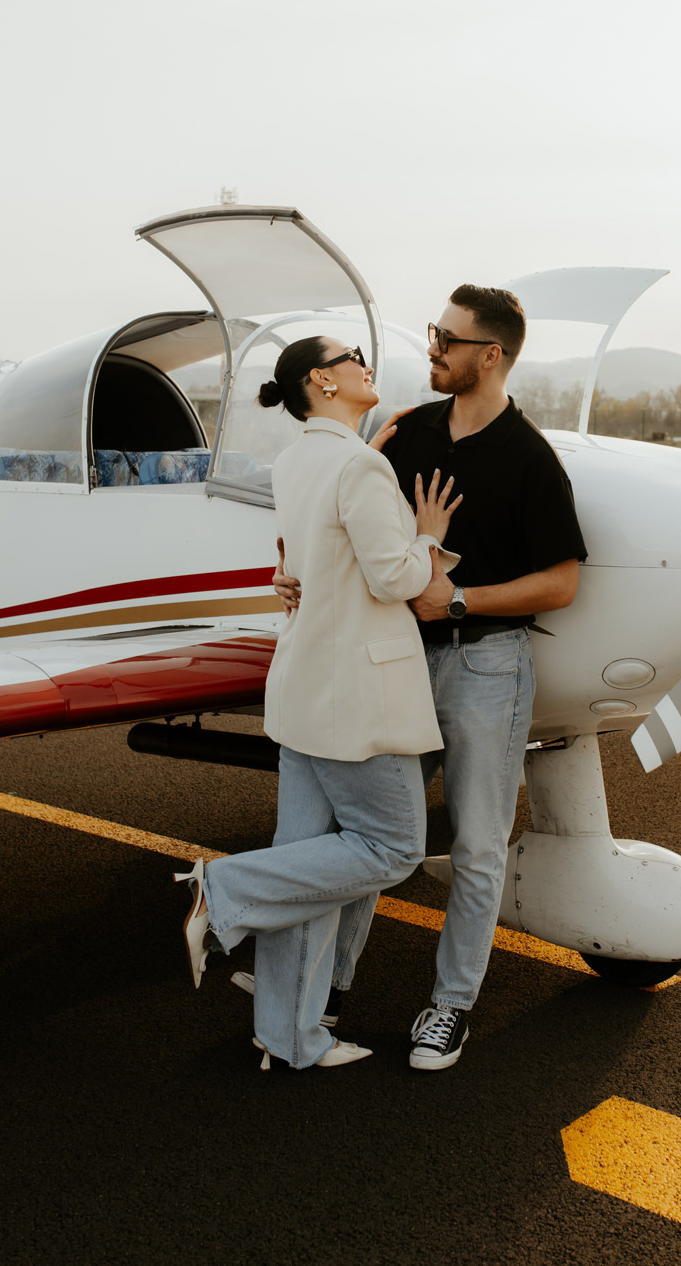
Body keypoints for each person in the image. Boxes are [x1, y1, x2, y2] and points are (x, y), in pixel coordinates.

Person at [275, 287, 587, 1070]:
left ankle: (450, 1006)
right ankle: (330, 988)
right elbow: (342, 523)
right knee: (373, 837)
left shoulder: (531, 459)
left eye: (446, 337)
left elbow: (561, 582)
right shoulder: (403, 433)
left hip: (487, 664)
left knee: (478, 845)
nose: (431, 347)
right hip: (401, 663)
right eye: (432, 332)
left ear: (491, 354)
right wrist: (294, 571)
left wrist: (459, 596)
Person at [174, 334, 461, 1071]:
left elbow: (302, 554)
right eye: (351, 354)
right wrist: (429, 536)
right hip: (358, 699)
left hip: (304, 687)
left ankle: (289, 1036)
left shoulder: (300, 457)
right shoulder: (360, 465)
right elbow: (397, 579)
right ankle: (224, 886)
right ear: (320, 380)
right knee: (393, 847)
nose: (366, 361)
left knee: (308, 863)